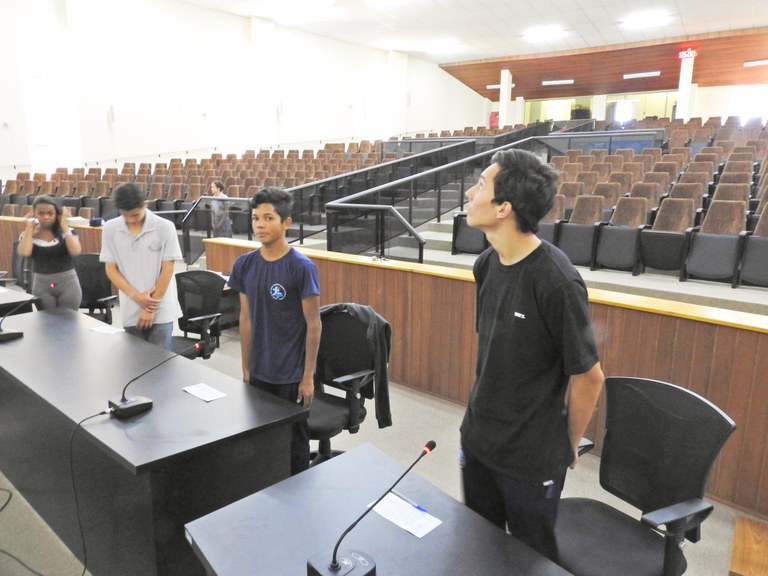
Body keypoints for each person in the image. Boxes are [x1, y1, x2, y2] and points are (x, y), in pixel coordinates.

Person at [459, 149, 604, 561]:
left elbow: (589, 377)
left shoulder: (557, 281)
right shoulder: (486, 264)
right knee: (482, 549)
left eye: (480, 186)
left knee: (530, 559)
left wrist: (566, 446)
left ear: (503, 208)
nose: (470, 194)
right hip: (479, 439)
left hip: (530, 458)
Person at [227, 187, 321, 475]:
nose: (260, 225)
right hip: (259, 370)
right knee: (261, 440)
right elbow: (246, 318)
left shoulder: (301, 267)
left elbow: (314, 324)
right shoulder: (244, 264)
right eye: (255, 218)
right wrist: (246, 367)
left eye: (268, 218)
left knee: (295, 445)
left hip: (292, 374)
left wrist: (308, 377)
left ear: (286, 223)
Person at [100, 183, 182, 350]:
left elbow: (167, 270)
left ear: (145, 205)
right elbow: (111, 269)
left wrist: (150, 308)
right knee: (135, 360)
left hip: (161, 308)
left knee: (160, 360)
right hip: (131, 306)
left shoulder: (165, 227)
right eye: (126, 215)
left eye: (135, 215)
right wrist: (137, 297)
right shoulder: (110, 228)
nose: (131, 220)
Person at [16, 195, 83, 310]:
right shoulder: (28, 234)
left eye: (50, 213)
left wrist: (64, 226)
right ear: (34, 213)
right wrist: (29, 229)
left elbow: (76, 251)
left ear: (57, 214)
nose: (46, 217)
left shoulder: (68, 232)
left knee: (69, 318)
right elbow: (25, 252)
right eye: (41, 213)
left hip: (68, 284)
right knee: (46, 319)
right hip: (42, 285)